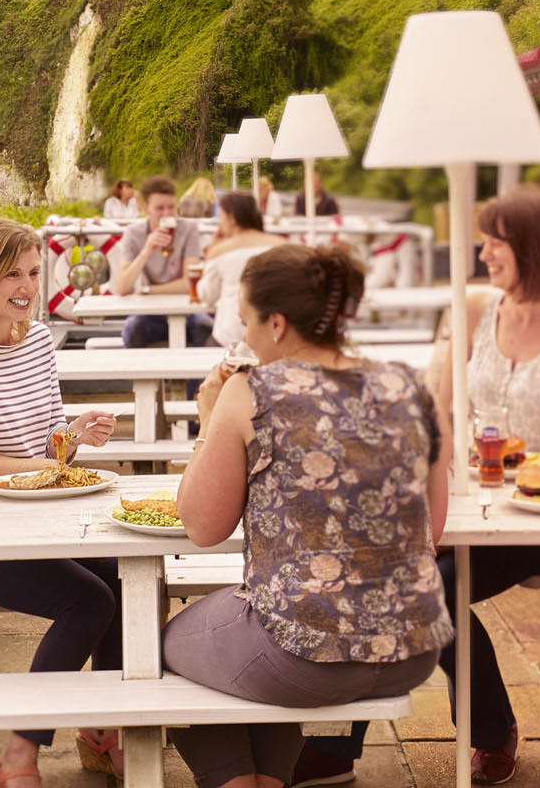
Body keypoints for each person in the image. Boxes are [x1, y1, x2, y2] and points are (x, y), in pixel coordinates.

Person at [297, 187, 540, 788]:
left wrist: (511, 468)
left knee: (425, 591)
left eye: (497, 242)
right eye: (485, 240)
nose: (484, 253)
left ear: (533, 247)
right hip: (459, 498)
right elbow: (436, 410)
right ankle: (462, 732)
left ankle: (346, 749)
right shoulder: (473, 306)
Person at [163, 243, 451, 788]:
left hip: (306, 658)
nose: (242, 339)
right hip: (414, 646)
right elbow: (430, 530)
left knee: (170, 645)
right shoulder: (411, 386)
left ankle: (236, 782)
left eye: (246, 323)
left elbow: (202, 528)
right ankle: (271, 779)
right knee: (272, 636)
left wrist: (207, 420)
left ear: (275, 323)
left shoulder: (252, 392)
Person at [0, 217, 126, 787]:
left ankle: (105, 731)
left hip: (29, 516)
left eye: (34, 272)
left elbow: (45, 439)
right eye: (13, 273)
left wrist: (76, 433)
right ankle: (19, 752)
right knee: (90, 603)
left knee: (121, 575)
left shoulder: (35, 340)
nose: (27, 285)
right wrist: (55, 467)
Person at [107, 175, 212, 348]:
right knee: (133, 329)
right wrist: (147, 249)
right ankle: (143, 376)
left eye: (171, 207)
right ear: (146, 208)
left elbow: (189, 284)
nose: (167, 214)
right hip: (150, 312)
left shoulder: (188, 229)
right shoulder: (134, 233)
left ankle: (196, 377)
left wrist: (148, 290)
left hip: (186, 310)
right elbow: (122, 287)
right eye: (160, 208)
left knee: (205, 328)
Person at [199, 190, 279, 348]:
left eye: (221, 217)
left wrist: (211, 252)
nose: (219, 224)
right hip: (275, 337)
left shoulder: (221, 250)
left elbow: (207, 296)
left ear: (232, 218)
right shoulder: (281, 245)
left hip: (231, 337)